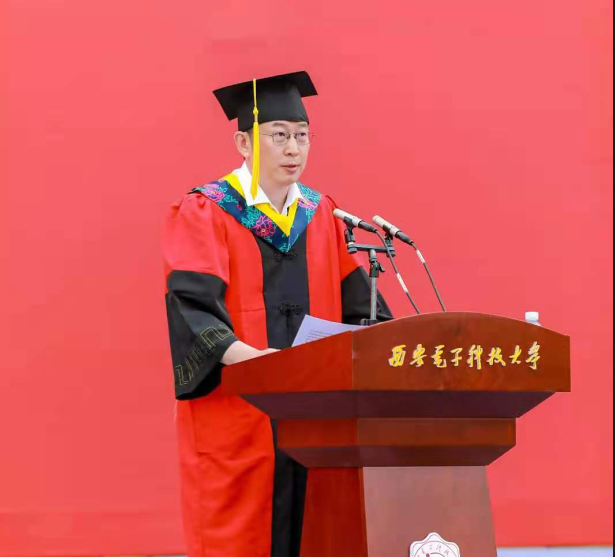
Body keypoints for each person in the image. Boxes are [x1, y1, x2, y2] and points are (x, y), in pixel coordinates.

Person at [162, 70, 392, 557]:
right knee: (240, 535)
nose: (293, 149)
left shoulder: (322, 214)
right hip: (240, 411)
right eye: (279, 135)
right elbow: (193, 308)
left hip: (313, 414)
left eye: (302, 136)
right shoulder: (206, 210)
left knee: (318, 533)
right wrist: (255, 360)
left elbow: (363, 311)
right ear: (243, 143)